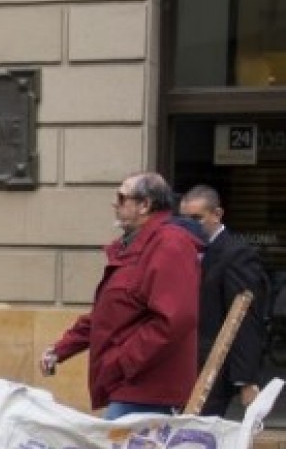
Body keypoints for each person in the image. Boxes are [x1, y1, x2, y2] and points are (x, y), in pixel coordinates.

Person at [41, 172, 202, 419]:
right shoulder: (134, 245)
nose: (115, 204)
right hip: (131, 386)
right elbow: (108, 313)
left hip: (149, 390)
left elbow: (173, 320)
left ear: (145, 205)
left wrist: (122, 362)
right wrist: (61, 349)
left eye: (122, 198)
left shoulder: (170, 244)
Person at [179, 185, 268, 416]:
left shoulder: (236, 254)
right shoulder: (183, 250)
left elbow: (244, 316)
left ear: (217, 214)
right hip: (182, 364)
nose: (190, 225)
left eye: (197, 218)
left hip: (212, 368)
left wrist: (246, 379)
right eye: (185, 218)